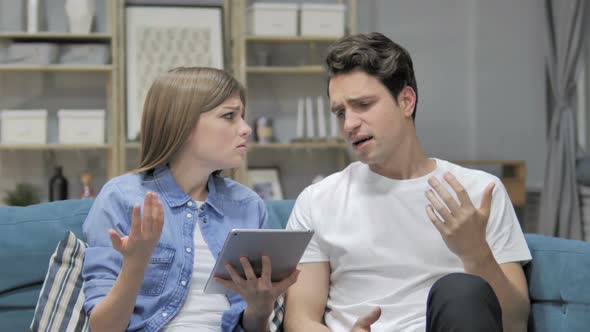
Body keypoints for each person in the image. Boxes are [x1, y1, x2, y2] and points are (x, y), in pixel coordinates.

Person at [284, 33, 531, 332]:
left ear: (406, 101)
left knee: (461, 290)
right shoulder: (316, 201)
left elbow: (515, 322)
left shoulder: (480, 192)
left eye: (363, 104)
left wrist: (475, 253)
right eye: (340, 112)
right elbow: (300, 320)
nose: (349, 124)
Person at [82, 67, 298, 332]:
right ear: (181, 125)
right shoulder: (121, 198)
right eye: (229, 116)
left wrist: (260, 307)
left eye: (242, 116)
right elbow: (102, 329)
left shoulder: (248, 205)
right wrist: (136, 261)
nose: (246, 129)